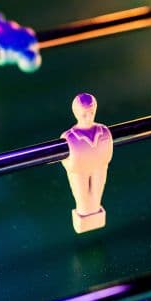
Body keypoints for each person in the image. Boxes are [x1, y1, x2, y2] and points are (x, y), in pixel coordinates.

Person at [61, 93, 113, 233]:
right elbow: (68, 162)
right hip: (80, 169)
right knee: (83, 200)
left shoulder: (103, 131)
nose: (89, 117)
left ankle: (94, 217)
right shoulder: (70, 137)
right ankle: (85, 219)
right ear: (76, 114)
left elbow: (107, 154)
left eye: (91, 113)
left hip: (99, 167)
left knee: (96, 197)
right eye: (84, 114)